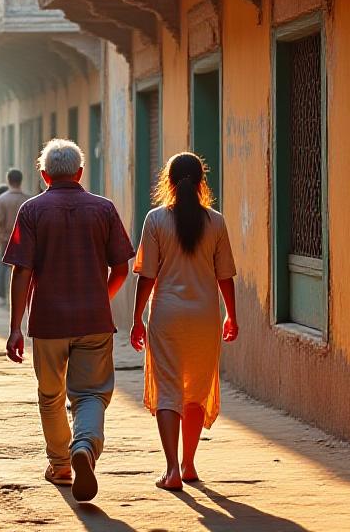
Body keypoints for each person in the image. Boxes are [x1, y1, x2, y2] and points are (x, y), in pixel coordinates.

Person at [3, 139, 134, 502]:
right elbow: (121, 267)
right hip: (93, 319)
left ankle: (60, 464)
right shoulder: (103, 209)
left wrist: (15, 326)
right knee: (90, 393)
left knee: (51, 395)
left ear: (43, 175)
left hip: (47, 322)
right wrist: (100, 297)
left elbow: (22, 271)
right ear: (79, 173)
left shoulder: (32, 210)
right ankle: (85, 447)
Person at [129, 152, 239, 492]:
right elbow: (225, 278)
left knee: (169, 389)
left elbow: (146, 277)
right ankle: (190, 464)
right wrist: (232, 316)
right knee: (195, 390)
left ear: (169, 183)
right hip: (205, 317)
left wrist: (136, 319)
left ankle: (172, 469)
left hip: (167, 316)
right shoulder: (215, 222)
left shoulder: (156, 220)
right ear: (202, 183)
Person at [0, 169, 31, 305]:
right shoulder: (27, 200)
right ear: (21, 180)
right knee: (23, 269)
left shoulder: (2, 200)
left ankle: (1, 297)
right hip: (24, 240)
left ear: (8, 181)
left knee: (2, 268)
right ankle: (23, 296)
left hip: (6, 239)